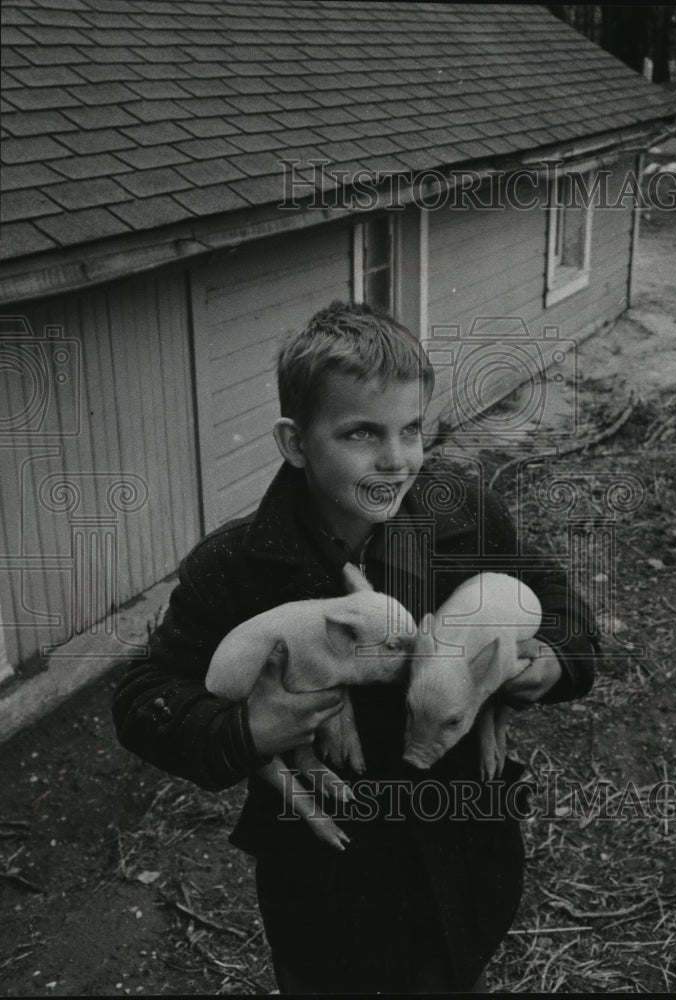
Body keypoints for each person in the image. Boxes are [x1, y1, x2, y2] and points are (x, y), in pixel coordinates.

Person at [112, 301, 598, 993]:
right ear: (294, 441)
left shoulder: (460, 513)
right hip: (323, 877)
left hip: (461, 848)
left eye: (411, 430)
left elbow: (558, 601)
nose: (395, 460)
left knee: (446, 977)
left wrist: (546, 661)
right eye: (361, 433)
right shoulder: (237, 566)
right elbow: (144, 697)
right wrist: (245, 729)